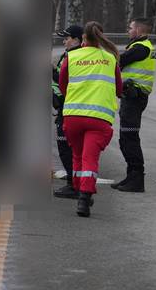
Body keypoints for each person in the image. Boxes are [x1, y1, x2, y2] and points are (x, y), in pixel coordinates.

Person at [57, 21, 123, 217]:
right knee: (90, 159)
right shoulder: (110, 58)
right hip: (99, 118)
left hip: (73, 116)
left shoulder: (72, 56)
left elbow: (62, 85)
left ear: (83, 38)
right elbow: (119, 89)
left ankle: (78, 191)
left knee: (77, 156)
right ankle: (84, 198)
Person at [110, 17, 156, 193]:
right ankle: (131, 177)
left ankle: (137, 179)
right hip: (132, 97)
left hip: (134, 98)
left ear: (138, 30)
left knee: (129, 139)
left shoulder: (141, 48)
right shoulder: (141, 47)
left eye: (130, 28)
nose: (128, 31)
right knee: (126, 139)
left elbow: (118, 61)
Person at [51, 25, 83, 199]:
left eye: (67, 38)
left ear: (77, 39)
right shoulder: (69, 54)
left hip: (69, 107)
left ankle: (73, 183)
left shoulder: (75, 56)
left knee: (66, 145)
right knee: (70, 147)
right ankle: (75, 182)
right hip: (65, 106)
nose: (64, 41)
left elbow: (65, 78)